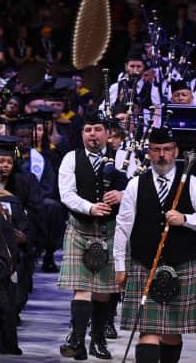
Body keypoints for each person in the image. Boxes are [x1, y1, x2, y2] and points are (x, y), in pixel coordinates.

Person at [114, 127, 196, 363]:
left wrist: (186, 219)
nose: (162, 155)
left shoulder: (192, 184)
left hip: (182, 266)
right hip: (144, 265)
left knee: (172, 333)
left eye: (167, 150)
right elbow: (122, 227)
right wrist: (120, 265)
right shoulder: (135, 185)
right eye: (156, 150)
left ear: (176, 152)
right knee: (147, 331)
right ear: (149, 153)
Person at [57, 112, 123, 360]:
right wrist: (90, 207)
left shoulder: (123, 157)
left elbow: (140, 187)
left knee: (104, 290)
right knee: (82, 287)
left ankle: (97, 340)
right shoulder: (70, 159)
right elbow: (66, 194)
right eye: (88, 130)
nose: (92, 134)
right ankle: (76, 339)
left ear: (107, 132)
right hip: (81, 228)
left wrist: (122, 195)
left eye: (97, 129)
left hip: (111, 229)